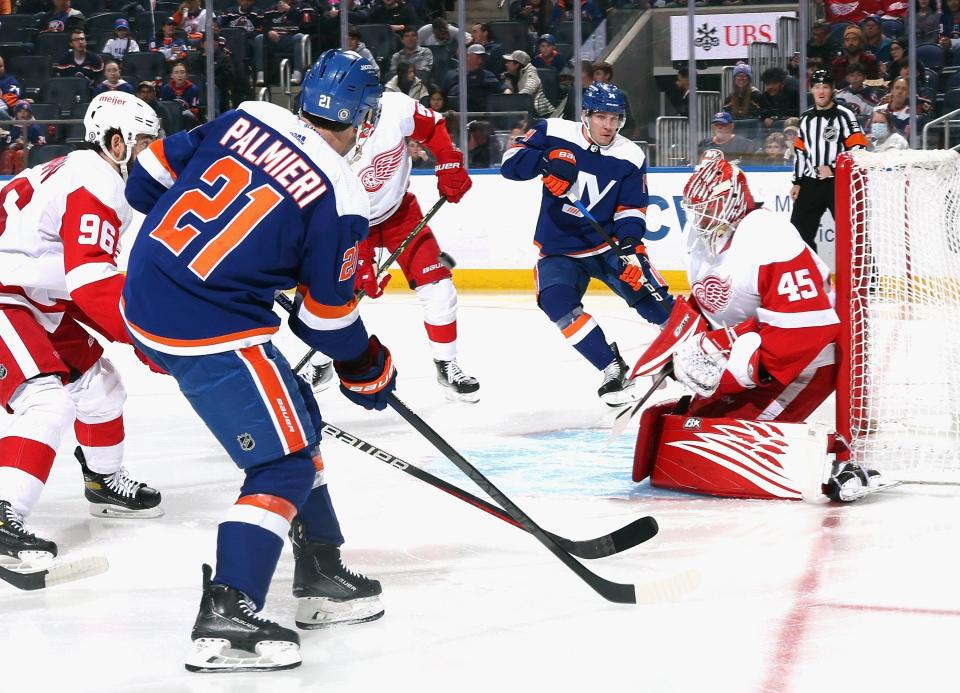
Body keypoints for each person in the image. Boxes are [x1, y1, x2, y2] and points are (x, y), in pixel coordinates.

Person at [122, 49, 392, 672]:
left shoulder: (247, 115)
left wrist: (247, 256)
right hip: (207, 324)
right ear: (364, 116)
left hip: (147, 290)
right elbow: (327, 319)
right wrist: (367, 366)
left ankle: (321, 565)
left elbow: (144, 179)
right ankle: (228, 610)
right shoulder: (340, 194)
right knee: (283, 464)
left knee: (299, 416)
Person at [631, 149, 881, 503]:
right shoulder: (705, 236)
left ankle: (834, 463)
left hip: (804, 362)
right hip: (750, 349)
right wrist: (685, 347)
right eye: (696, 210)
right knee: (697, 423)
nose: (700, 218)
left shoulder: (769, 237)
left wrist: (737, 370)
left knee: (719, 441)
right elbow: (709, 302)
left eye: (709, 208)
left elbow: (806, 329)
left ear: (733, 201)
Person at [0, 92, 164, 573]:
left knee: (100, 386)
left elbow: (75, 278)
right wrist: (147, 339)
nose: (151, 155)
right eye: (144, 144)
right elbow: (89, 281)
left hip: (35, 297)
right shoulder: (97, 180)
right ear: (116, 143)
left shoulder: (90, 174)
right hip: (8, 296)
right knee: (46, 400)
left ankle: (103, 481)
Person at [500, 82, 674, 405]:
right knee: (555, 301)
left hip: (608, 247)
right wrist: (546, 160)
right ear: (585, 115)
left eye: (616, 119)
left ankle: (694, 346)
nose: (609, 126)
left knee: (653, 299)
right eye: (602, 118)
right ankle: (611, 367)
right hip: (560, 250)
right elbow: (510, 163)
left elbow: (631, 209)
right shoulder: (554, 130)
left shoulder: (631, 155)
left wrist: (632, 248)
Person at [305, 90, 478, 402]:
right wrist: (361, 261)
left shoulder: (395, 107)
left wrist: (449, 159)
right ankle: (320, 363)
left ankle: (446, 365)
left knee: (438, 285)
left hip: (402, 214)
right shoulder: (321, 137)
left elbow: (432, 126)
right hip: (350, 228)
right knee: (337, 298)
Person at [790, 69, 868, 251]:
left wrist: (834, 169)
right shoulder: (806, 118)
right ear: (812, 90)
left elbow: (859, 148)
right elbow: (801, 152)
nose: (821, 91)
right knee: (798, 233)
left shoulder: (844, 115)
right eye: (817, 87)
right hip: (810, 183)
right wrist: (797, 182)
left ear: (832, 90)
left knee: (853, 231)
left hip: (838, 182)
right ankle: (812, 274)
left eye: (825, 87)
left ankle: (866, 277)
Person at [255, 0, 314, 85]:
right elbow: (261, 25)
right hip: (275, 40)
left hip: (293, 38)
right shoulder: (270, 9)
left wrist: (290, 10)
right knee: (259, 38)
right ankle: (260, 73)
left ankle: (297, 72)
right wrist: (268, 31)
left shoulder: (303, 6)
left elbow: (308, 25)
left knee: (300, 37)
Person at [444, 44, 500, 112]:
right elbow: (443, 94)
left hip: (480, 114)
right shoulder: (451, 75)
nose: (481, 59)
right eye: (478, 56)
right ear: (468, 56)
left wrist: (506, 88)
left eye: (483, 56)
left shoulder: (487, 74)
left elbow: (498, 87)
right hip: (457, 114)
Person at [502, 49, 554, 118]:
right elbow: (507, 88)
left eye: (509, 62)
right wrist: (507, 88)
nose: (506, 64)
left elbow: (529, 89)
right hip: (523, 112)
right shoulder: (510, 75)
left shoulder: (531, 70)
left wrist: (513, 99)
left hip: (542, 114)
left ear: (517, 64)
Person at [0, 100, 45, 174]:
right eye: (20, 111)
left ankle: (20, 176)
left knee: (20, 154)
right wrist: (15, 145)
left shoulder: (35, 127)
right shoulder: (14, 126)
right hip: (15, 148)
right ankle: (5, 178)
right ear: (16, 113)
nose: (23, 114)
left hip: (30, 151)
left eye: (25, 111)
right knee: (7, 154)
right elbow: (9, 142)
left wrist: (25, 145)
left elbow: (40, 145)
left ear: (30, 113)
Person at [159, 61, 201, 127]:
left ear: (186, 75)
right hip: (171, 119)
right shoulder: (165, 89)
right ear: (172, 75)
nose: (179, 75)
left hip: (187, 120)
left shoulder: (193, 89)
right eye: (176, 73)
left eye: (182, 72)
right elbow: (163, 108)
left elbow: (195, 110)